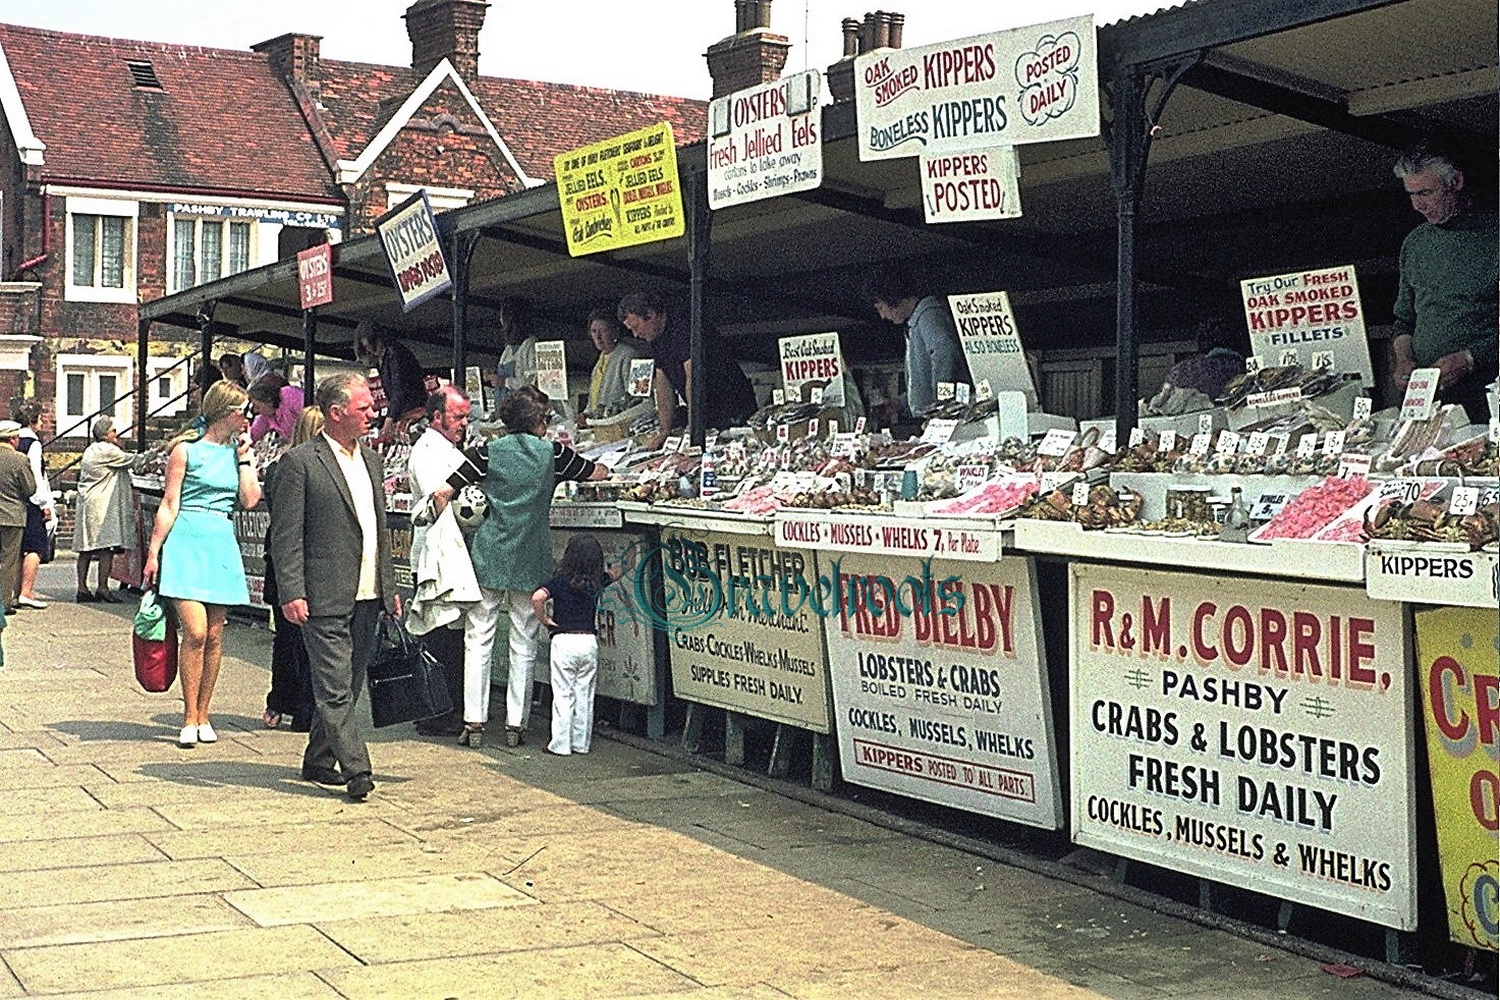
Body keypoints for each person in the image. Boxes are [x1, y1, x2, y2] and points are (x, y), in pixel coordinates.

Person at [439, 390, 607, 748]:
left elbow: (446, 490)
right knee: (524, 640)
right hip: (532, 556)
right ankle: (517, 724)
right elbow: (595, 473)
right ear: (535, 422)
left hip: (489, 554)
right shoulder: (554, 455)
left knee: (478, 637)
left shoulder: (485, 452)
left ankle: (474, 721)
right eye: (545, 420)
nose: (547, 426)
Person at [269, 373, 400, 802]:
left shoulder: (373, 461)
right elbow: (285, 535)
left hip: (367, 591)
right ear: (336, 412)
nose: (372, 413)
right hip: (323, 592)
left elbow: (379, 528)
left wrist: (389, 584)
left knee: (351, 679)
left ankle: (318, 758)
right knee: (334, 685)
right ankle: (357, 767)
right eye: (363, 408)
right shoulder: (301, 463)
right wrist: (291, 590)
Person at [143, 381, 261, 749]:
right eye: (245, 411)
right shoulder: (185, 451)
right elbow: (169, 503)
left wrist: (244, 459)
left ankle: (204, 714)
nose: (249, 418)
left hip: (220, 540)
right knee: (193, 631)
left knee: (214, 633)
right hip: (186, 539)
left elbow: (251, 499)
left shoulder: (236, 453)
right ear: (228, 412)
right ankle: (188, 714)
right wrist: (153, 551)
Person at [1390, 143, 1499, 424]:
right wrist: (1403, 360)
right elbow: (1404, 320)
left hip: (1488, 387)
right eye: (1411, 194)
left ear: (1456, 182)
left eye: (1426, 192)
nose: (1418, 205)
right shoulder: (1415, 243)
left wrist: (1470, 358)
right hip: (1428, 393)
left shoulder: (1494, 236)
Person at [404, 386, 479, 740]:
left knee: (447, 636)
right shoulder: (428, 451)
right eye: (458, 416)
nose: (464, 423)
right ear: (437, 417)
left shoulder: (446, 447)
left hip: (449, 552)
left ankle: (444, 709)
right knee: (439, 638)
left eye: (466, 416)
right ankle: (438, 712)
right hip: (436, 553)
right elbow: (437, 497)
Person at [617, 290, 756, 450]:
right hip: (706, 417)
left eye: (636, 327)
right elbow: (663, 386)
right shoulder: (655, 339)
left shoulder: (684, 327)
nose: (635, 334)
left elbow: (694, 380)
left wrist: (693, 429)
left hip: (732, 408)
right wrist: (664, 431)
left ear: (651, 314)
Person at [259, 405, 323, 732]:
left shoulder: (277, 467)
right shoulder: (293, 467)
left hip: (284, 562)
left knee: (287, 640)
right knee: (297, 641)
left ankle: (285, 702)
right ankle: (298, 706)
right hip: (295, 563)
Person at [531, 534, 618, 756]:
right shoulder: (598, 581)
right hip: (588, 642)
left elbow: (537, 598)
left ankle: (560, 744)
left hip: (564, 641)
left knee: (563, 694)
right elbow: (618, 572)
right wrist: (636, 554)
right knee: (584, 695)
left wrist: (544, 619)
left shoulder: (559, 581)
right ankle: (581, 743)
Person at [863, 264, 970, 418]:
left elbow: (945, 351)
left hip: (944, 416)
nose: (883, 316)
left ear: (892, 298)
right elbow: (921, 381)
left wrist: (942, 401)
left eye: (881, 308)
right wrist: (900, 402)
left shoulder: (928, 314)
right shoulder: (915, 323)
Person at [72, 416, 150, 603]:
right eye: (113, 431)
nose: (116, 434)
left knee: (87, 548)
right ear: (105, 434)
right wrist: (159, 451)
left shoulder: (91, 449)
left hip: (90, 503)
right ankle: (102, 587)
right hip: (101, 506)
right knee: (106, 547)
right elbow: (134, 460)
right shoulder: (107, 451)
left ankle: (82, 587)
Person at [354, 320, 427, 444]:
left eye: (371, 345)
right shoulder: (385, 357)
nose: (370, 350)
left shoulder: (395, 354)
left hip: (413, 411)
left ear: (379, 339)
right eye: (366, 347)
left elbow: (399, 389)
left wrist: (390, 418)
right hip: (406, 410)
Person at [14, 400, 55, 610]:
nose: (42, 422)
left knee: (17, 547)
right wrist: (44, 504)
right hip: (31, 501)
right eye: (40, 418)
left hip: (14, 499)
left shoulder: (13, 439)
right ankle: (26, 592)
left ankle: (14, 591)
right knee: (35, 547)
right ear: (33, 421)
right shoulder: (33, 443)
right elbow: (36, 476)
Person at [582, 307, 649, 423]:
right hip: (600, 426)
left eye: (603, 331)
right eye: (593, 331)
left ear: (615, 331)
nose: (598, 337)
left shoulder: (630, 355)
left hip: (623, 425)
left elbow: (639, 398)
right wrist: (586, 414)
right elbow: (593, 400)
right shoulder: (600, 360)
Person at [0, 421, 36, 616]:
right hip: (12, 516)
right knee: (8, 562)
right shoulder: (19, 460)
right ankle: (4, 603)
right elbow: (30, 488)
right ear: (12, 439)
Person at [488, 296, 539, 403]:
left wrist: (505, 382)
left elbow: (532, 383)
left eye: (502, 315)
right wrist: (492, 375)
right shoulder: (508, 349)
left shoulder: (530, 345)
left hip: (521, 411)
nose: (500, 320)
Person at [247, 373, 307, 444]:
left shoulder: (290, 395)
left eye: (257, 406)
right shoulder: (266, 415)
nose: (255, 410)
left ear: (269, 401)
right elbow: (252, 435)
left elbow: (311, 415)